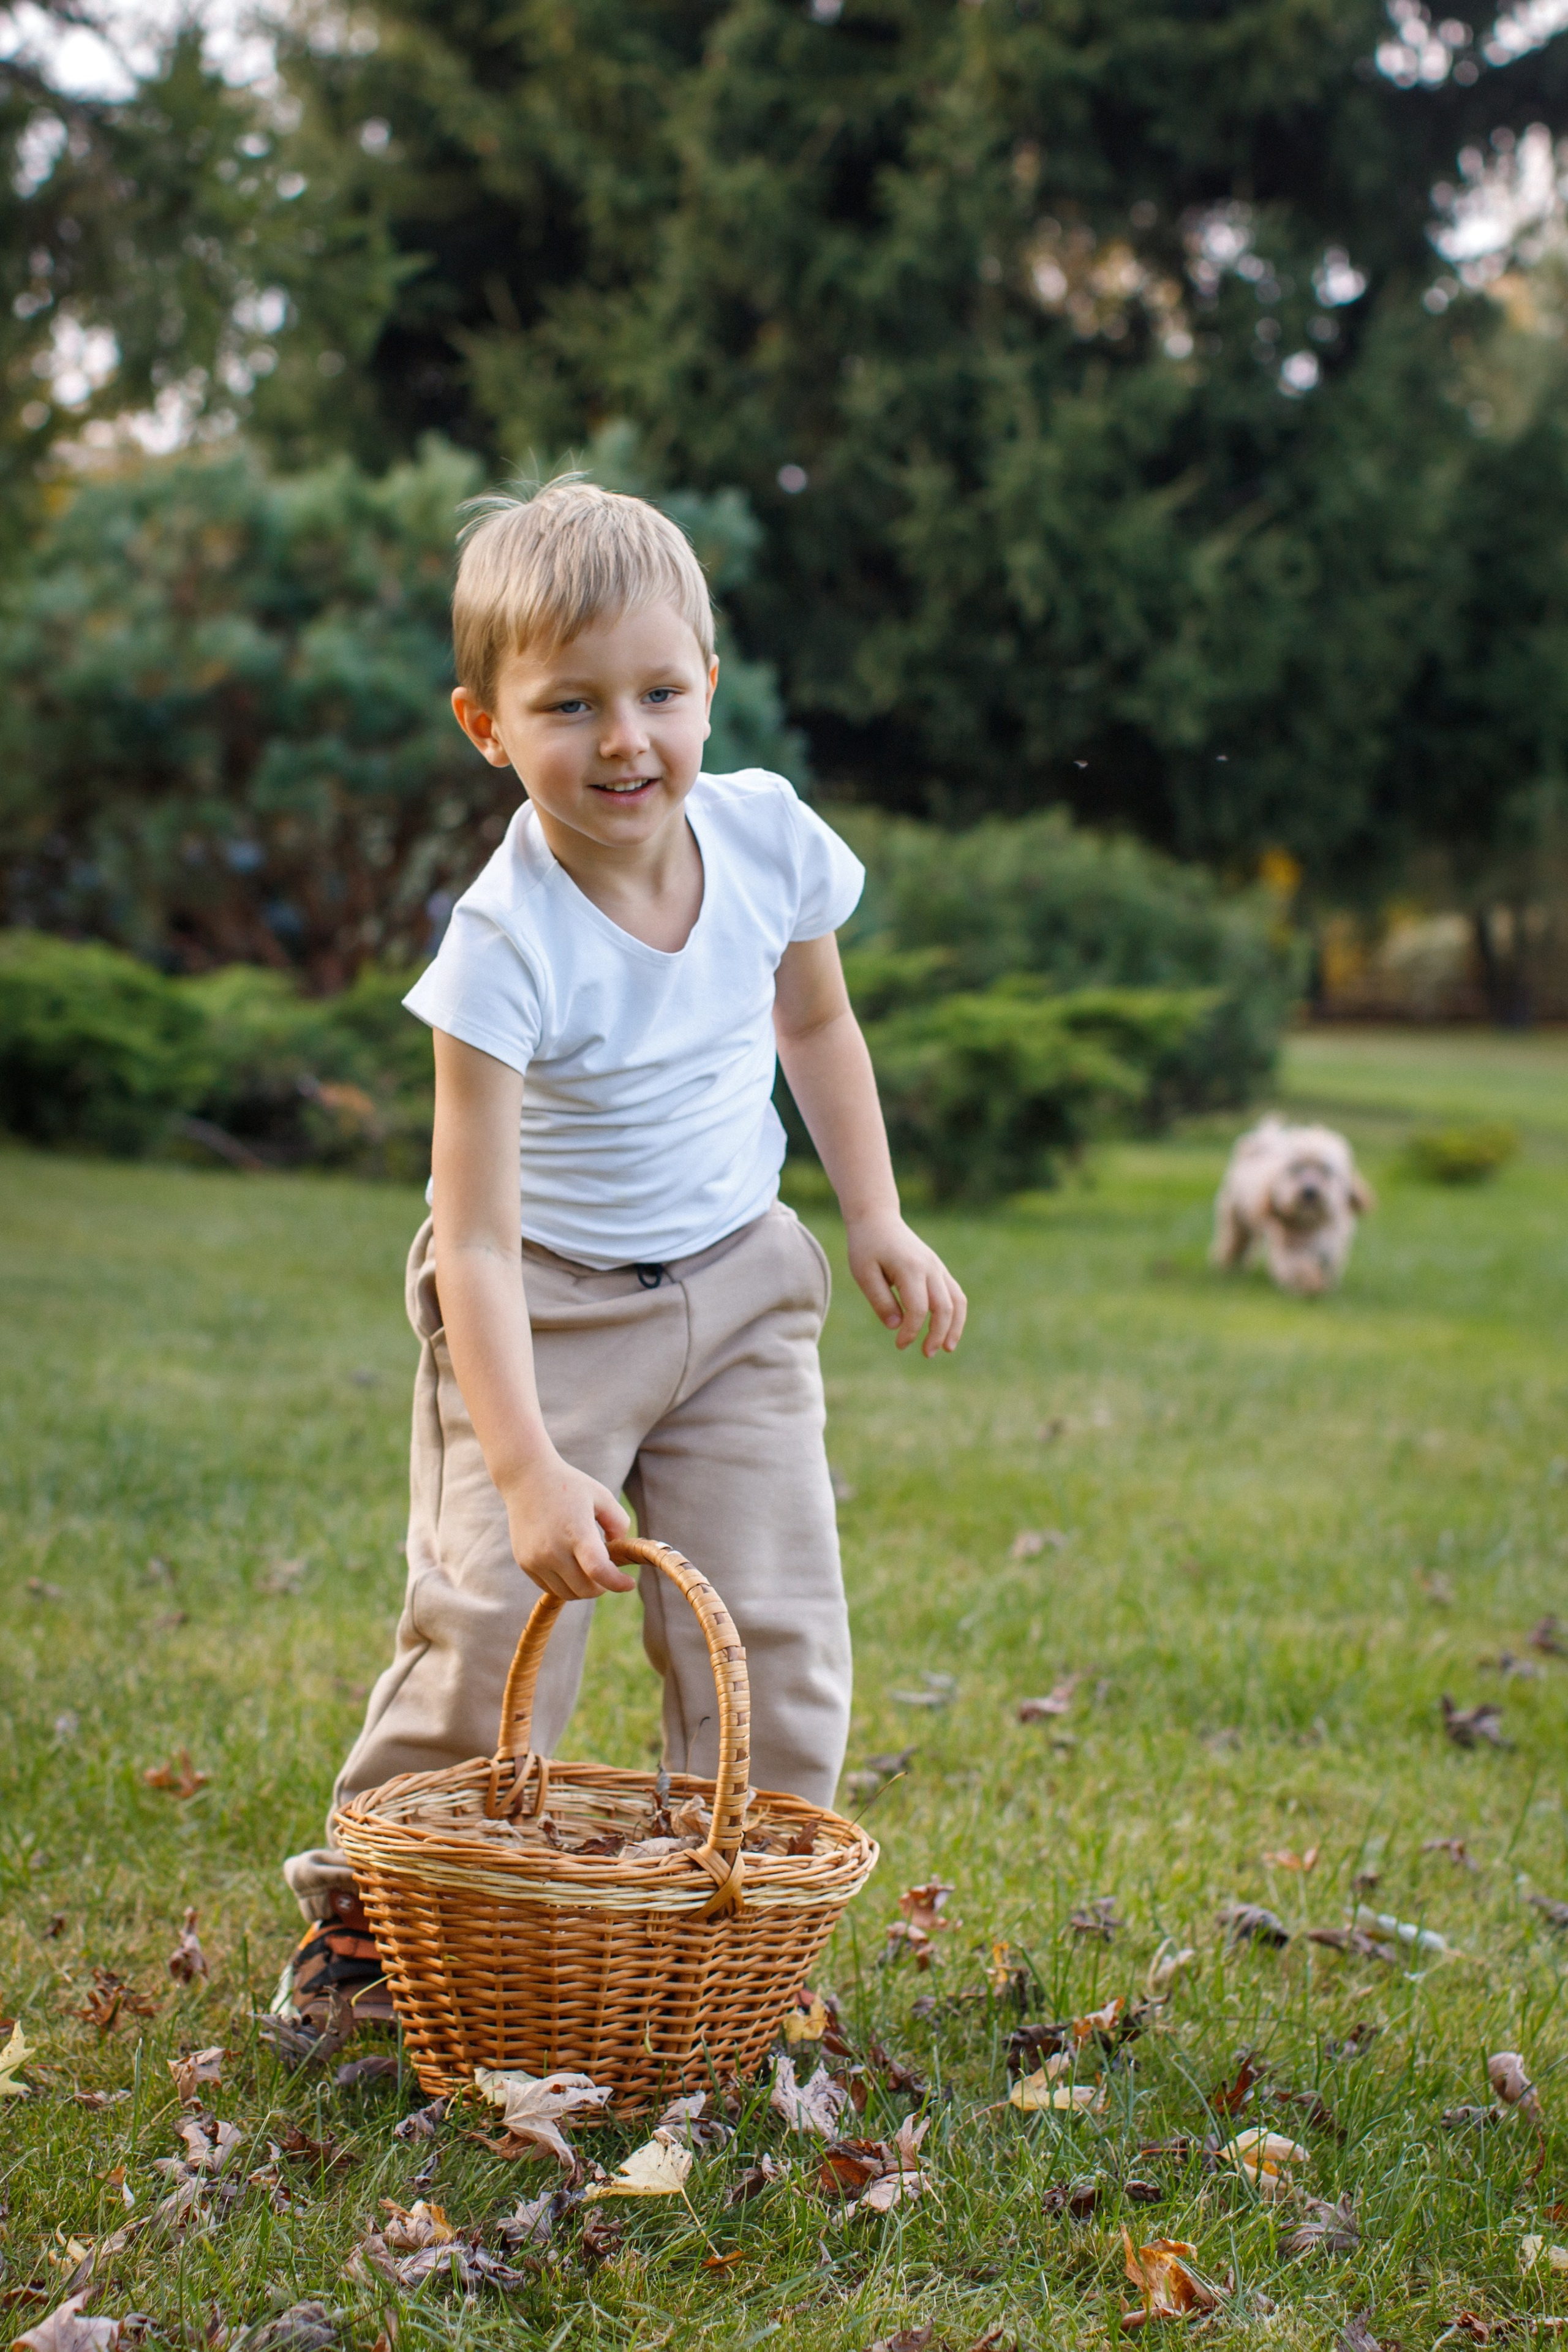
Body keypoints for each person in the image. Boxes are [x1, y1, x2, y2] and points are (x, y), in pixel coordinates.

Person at [275, 478, 965, 2023]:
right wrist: (523, 1467)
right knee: (482, 1630)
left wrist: (873, 1214)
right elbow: (471, 1233)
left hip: (736, 1292)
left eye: (659, 691)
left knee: (773, 1636)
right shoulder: (503, 944)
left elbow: (813, 1018)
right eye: (569, 705)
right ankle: (374, 1921)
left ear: (709, 682)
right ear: (486, 724)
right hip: (546, 1309)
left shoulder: (771, 836)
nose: (626, 739)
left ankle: (736, 1920)